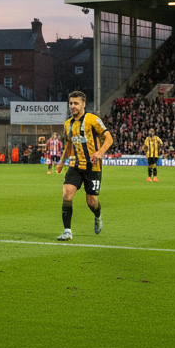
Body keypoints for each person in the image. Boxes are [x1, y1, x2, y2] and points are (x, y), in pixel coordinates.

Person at [55, 90, 112, 241]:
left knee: (91, 202)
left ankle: (97, 215)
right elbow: (69, 144)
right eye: (71, 103)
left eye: (76, 103)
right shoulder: (67, 124)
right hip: (75, 165)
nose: (73, 106)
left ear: (83, 104)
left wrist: (99, 153)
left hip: (93, 166)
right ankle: (67, 231)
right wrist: (62, 161)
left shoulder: (93, 119)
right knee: (67, 194)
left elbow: (109, 138)